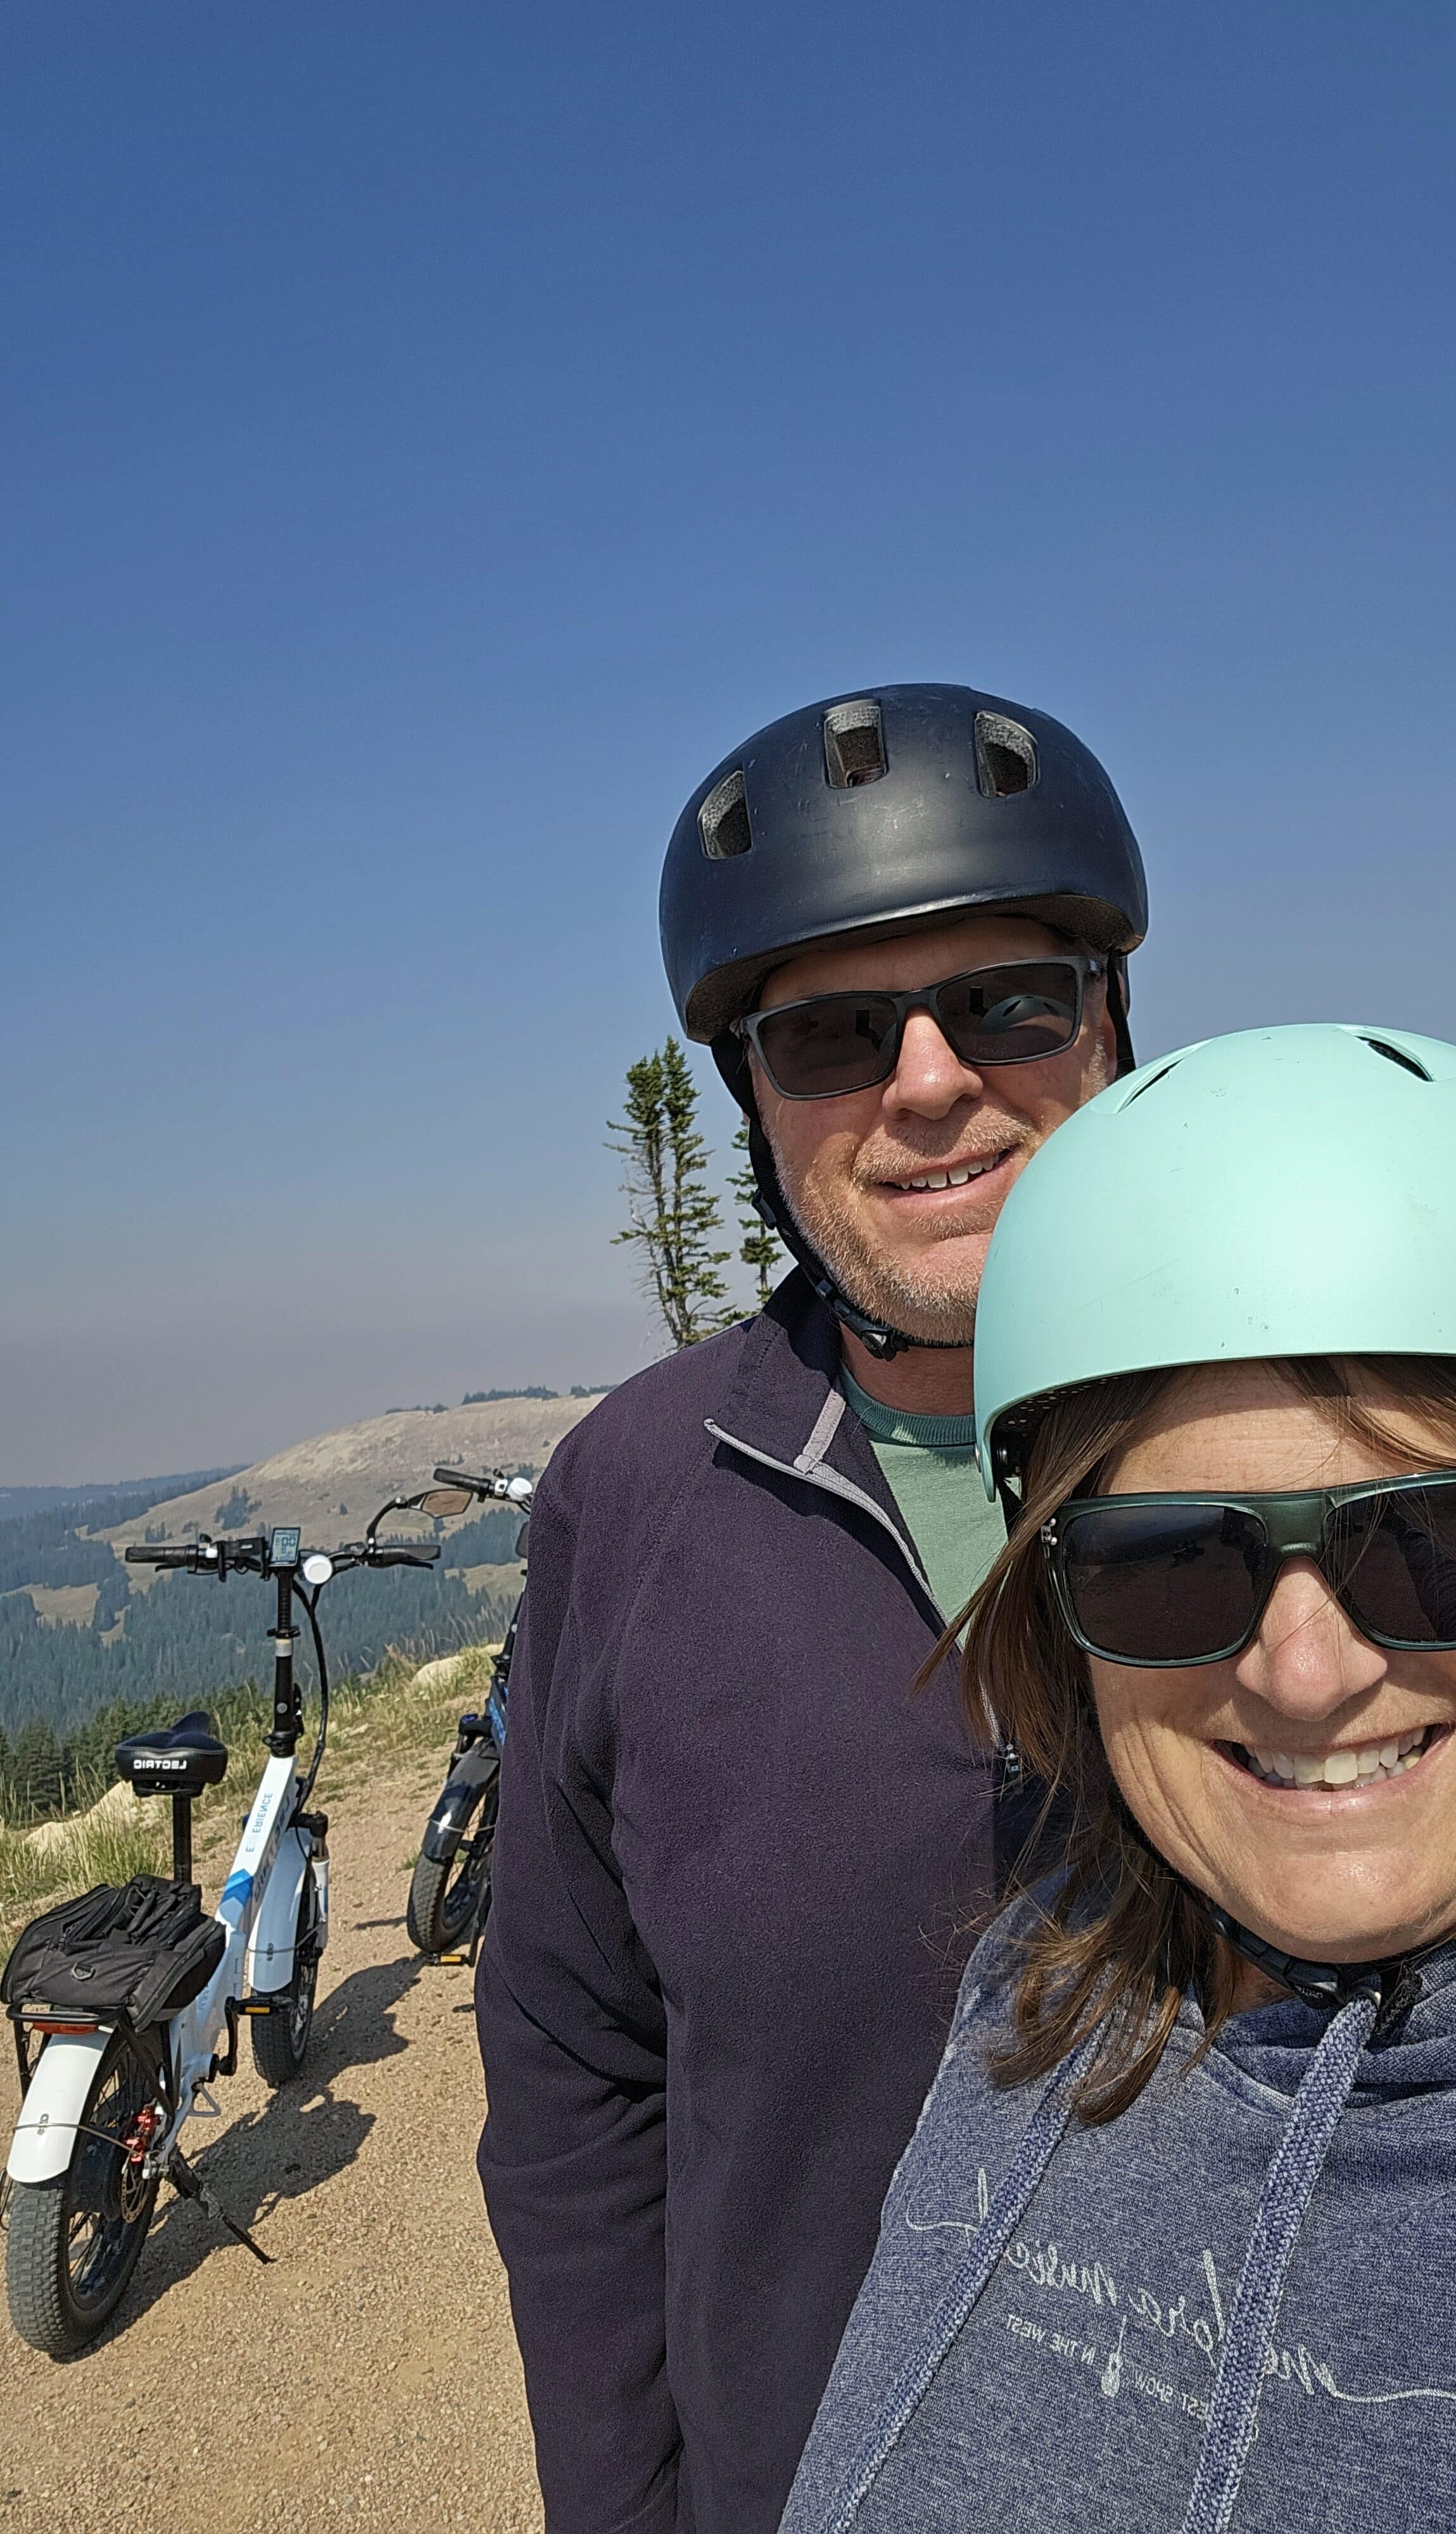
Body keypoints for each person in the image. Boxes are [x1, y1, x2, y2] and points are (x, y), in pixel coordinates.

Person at [782, 1023, 1456, 2533]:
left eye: (1440, 1545)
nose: (1306, 1672)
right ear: (1061, 1606)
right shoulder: (1043, 1971)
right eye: (1172, 1561)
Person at [475, 685, 1149, 2533]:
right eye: (839, 1033)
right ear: (753, 1100)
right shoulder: (636, 1493)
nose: (931, 1080)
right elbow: (570, 2076)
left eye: (1009, 999)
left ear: (1109, 1028)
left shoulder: (1312, 1435)